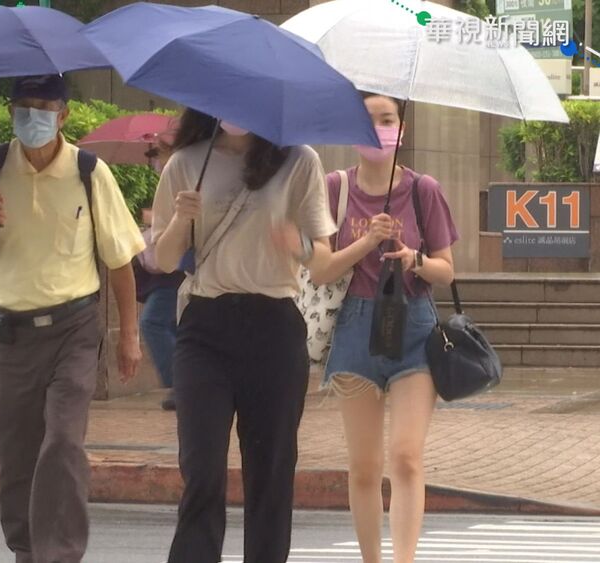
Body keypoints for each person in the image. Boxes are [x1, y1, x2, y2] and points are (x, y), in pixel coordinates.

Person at [0, 74, 145, 563]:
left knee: (61, 442)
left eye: (43, 107)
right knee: (14, 459)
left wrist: (129, 337)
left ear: (64, 115)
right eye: (23, 107)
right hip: (10, 337)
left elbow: (119, 260)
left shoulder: (88, 171)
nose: (31, 117)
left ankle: (58, 555)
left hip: (73, 331)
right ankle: (27, 550)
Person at [151, 109, 337, 563]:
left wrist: (297, 244)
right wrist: (180, 220)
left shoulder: (299, 160)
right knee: (202, 469)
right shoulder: (186, 162)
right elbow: (165, 259)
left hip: (274, 326)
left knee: (271, 473)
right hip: (205, 327)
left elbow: (323, 259)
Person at [311, 92, 458, 563]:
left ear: (402, 129)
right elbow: (321, 270)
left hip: (413, 325)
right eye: (367, 120)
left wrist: (415, 259)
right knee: (364, 467)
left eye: (387, 119)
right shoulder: (334, 188)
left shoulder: (423, 190)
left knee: (406, 457)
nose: (377, 128)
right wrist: (368, 241)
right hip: (355, 327)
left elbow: (447, 271)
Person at [133, 207, 185, 411]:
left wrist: (154, 218)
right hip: (167, 274)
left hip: (174, 273)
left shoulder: (181, 176)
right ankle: (184, 385)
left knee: (152, 322)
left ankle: (181, 383)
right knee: (173, 328)